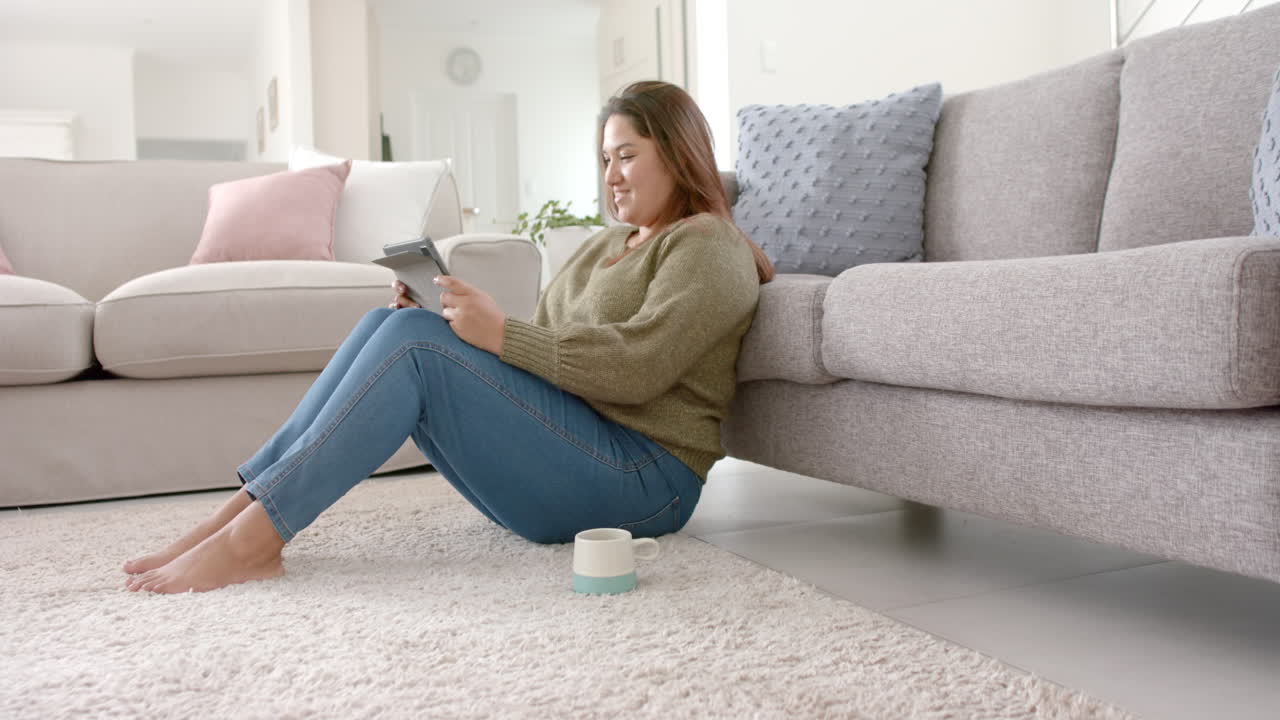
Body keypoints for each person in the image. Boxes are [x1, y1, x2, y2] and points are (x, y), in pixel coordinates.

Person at [122, 80, 776, 594]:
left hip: (645, 482)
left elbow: (638, 368)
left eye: (627, 156)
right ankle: (236, 515)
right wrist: (460, 327)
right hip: (580, 454)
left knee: (412, 341)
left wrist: (493, 337)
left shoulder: (708, 246)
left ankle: (251, 544)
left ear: (680, 152)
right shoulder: (602, 246)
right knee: (393, 324)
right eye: (605, 158)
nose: (611, 175)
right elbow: (549, 354)